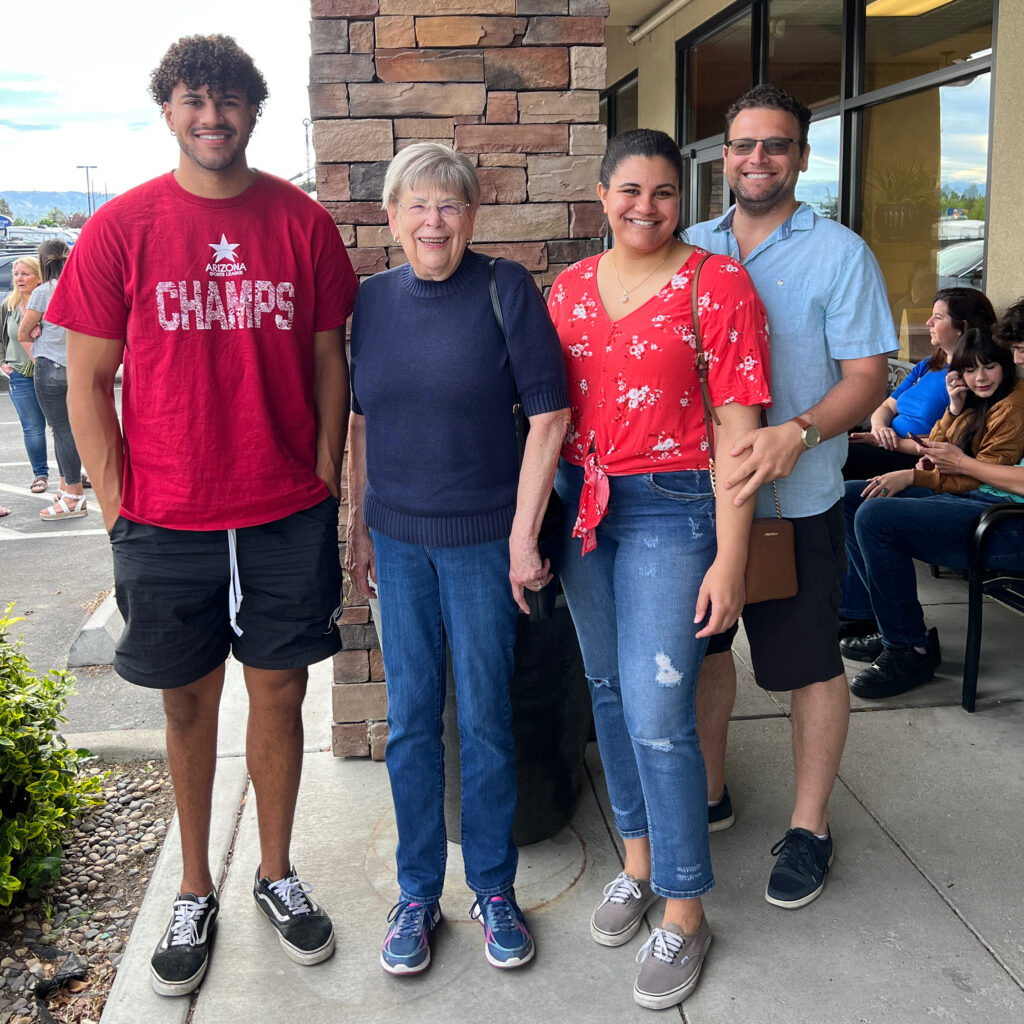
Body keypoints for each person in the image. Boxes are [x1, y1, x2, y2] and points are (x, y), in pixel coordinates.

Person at [48, 35, 357, 997]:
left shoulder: (301, 224)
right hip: (165, 513)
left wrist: (323, 475)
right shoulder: (122, 227)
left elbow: (328, 361)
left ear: (254, 111)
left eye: (228, 100)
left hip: (281, 508)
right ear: (168, 110)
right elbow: (87, 383)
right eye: (193, 99)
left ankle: (274, 871)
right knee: (186, 699)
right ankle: (193, 886)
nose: (210, 115)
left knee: (280, 693)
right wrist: (113, 506)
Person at [548, 128, 770, 1010]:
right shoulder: (564, 290)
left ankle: (685, 909)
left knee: (658, 712)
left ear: (684, 198)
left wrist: (732, 554)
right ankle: (636, 863)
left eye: (664, 192)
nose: (646, 207)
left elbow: (740, 433)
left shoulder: (719, 285)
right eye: (630, 191)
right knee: (606, 689)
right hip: (581, 506)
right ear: (602, 196)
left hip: (673, 510)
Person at [345, 143, 569, 977]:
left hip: (482, 546)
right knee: (410, 722)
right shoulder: (370, 302)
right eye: (417, 205)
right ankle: (416, 893)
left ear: (472, 217)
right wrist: (359, 528)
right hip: (398, 544)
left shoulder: (504, 290)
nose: (433, 221)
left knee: (483, 717)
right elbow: (363, 422)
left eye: (450, 206)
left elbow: (549, 417)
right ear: (391, 216)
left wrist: (522, 535)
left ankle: (493, 887)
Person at [684, 84, 893, 910]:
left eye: (775, 145)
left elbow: (866, 379)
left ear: (802, 157)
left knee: (808, 666)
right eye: (743, 144)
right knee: (704, 653)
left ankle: (810, 826)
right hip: (692, 502)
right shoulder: (688, 245)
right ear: (723, 155)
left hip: (797, 500)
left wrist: (797, 433)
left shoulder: (840, 254)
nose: (757, 159)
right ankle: (708, 795)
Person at [840, 328, 1024, 696]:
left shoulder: (1013, 405)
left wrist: (913, 476)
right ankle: (872, 619)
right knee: (852, 496)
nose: (980, 377)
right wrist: (956, 408)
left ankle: (910, 647)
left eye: (992, 365)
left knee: (876, 516)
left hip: (1001, 518)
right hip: (978, 501)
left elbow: (971, 474)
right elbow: (939, 449)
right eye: (971, 370)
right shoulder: (984, 397)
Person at [843, 287, 996, 481]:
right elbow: (888, 405)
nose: (928, 323)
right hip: (881, 442)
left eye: (938, 317)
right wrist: (879, 428)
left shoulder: (974, 378)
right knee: (829, 448)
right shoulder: (928, 364)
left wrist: (887, 442)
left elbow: (955, 440)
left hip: (913, 458)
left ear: (962, 328)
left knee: (841, 458)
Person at [18, 240, 87, 520]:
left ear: (42, 261)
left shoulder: (43, 292)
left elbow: (23, 333)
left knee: (61, 430)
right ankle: (66, 486)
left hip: (51, 365)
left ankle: (73, 494)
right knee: (76, 429)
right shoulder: (83, 288)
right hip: (80, 366)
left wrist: (35, 331)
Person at [1, 255, 50, 494]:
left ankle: (70, 475)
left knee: (63, 426)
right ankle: (40, 475)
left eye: (25, 274)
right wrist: (2, 361)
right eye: (16, 274)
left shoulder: (49, 302)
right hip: (20, 373)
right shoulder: (8, 305)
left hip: (51, 371)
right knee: (32, 426)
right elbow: (2, 337)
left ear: (38, 277)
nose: (19, 279)